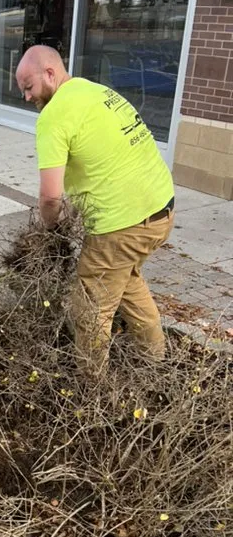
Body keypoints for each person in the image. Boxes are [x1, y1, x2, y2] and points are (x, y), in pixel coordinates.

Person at [15, 44, 174, 370]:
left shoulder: (54, 117)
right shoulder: (96, 91)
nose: (27, 97)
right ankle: (155, 359)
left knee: (90, 310)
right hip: (161, 210)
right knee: (126, 280)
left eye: (29, 88)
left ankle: (92, 391)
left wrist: (51, 231)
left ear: (50, 73)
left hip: (121, 225)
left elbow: (49, 199)